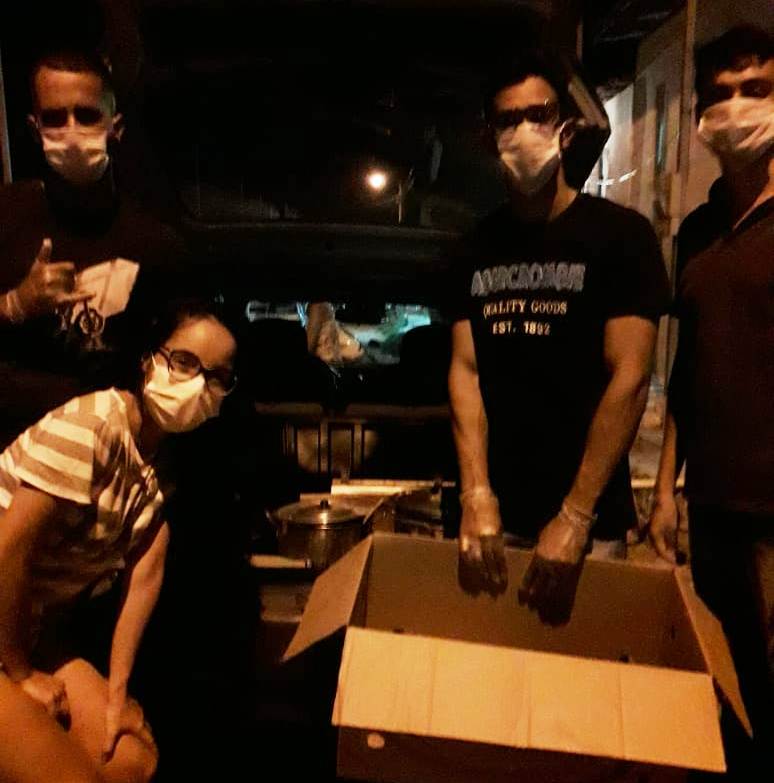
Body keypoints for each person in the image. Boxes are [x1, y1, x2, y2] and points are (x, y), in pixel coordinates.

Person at [448, 49, 669, 622]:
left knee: (582, 673)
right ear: (490, 137)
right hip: (496, 524)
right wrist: (476, 494)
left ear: (565, 128)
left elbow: (630, 377)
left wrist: (574, 516)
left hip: (589, 528)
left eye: (539, 114)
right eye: (508, 119)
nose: (524, 130)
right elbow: (466, 372)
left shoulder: (621, 237)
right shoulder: (474, 248)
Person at [0, 299, 238, 783]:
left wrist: (116, 697)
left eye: (216, 377)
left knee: (131, 760)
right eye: (184, 362)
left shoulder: (158, 463)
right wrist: (21, 673)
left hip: (33, 633)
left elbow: (146, 574)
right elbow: (8, 549)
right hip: (11, 637)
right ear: (148, 358)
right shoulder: (91, 427)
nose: (198, 385)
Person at [648, 25, 773, 776]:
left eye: (757, 89)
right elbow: (688, 367)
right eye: (720, 94)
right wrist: (665, 488)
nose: (736, 107)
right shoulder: (696, 232)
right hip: (714, 507)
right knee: (729, 684)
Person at [0, 48, 186, 447]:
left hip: (110, 456)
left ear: (115, 128)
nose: (71, 131)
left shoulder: (154, 241)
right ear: (34, 129)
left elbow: (179, 354)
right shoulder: (6, 215)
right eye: (54, 118)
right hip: (11, 455)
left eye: (86, 116)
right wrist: (14, 305)